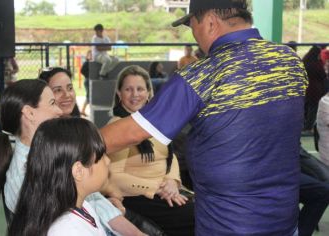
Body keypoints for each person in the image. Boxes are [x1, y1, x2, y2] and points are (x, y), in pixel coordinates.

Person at [100, 0, 308, 235]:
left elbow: (130, 132)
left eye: (192, 26)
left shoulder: (203, 74)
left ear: (209, 22)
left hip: (228, 225)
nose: (194, 36)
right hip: (285, 221)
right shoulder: (290, 62)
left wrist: (64, 143)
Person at [0, 79, 144, 236]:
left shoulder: (51, 154)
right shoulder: (26, 175)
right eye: (52, 103)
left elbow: (92, 201)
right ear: (29, 113)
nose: (59, 111)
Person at [102, 65, 195, 236]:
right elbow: (113, 177)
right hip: (137, 196)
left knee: (209, 208)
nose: (135, 94)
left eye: (140, 89)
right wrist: (157, 188)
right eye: (128, 89)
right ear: (119, 94)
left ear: (148, 93)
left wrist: (172, 181)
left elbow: (170, 156)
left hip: (164, 190)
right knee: (196, 217)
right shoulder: (118, 126)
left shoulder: (152, 123)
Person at [8, 117, 109, 236]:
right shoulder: (67, 230)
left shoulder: (81, 205)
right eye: (102, 156)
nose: (108, 161)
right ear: (79, 171)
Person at [302, 46, 327, 133]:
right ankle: (308, 127)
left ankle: (303, 125)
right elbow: (323, 75)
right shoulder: (317, 64)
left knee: (305, 108)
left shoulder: (304, 62)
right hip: (315, 90)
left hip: (305, 89)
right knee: (313, 109)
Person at [81, 50, 92, 116]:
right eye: (90, 55)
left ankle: (83, 110)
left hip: (89, 80)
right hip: (87, 81)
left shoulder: (92, 63)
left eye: (92, 55)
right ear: (87, 56)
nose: (91, 56)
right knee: (88, 96)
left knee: (89, 96)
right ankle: (83, 110)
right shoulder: (86, 63)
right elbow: (82, 71)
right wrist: (88, 75)